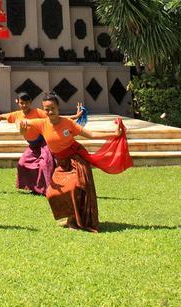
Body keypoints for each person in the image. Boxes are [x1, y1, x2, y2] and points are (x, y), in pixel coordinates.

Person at [19, 93, 132, 232]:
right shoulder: (42, 123)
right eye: (46, 109)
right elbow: (23, 123)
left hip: (76, 159)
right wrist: (22, 129)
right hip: (61, 163)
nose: (49, 112)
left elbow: (90, 135)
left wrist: (114, 134)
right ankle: (69, 218)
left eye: (52, 108)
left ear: (58, 107)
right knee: (51, 193)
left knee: (74, 188)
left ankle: (73, 221)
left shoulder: (68, 123)